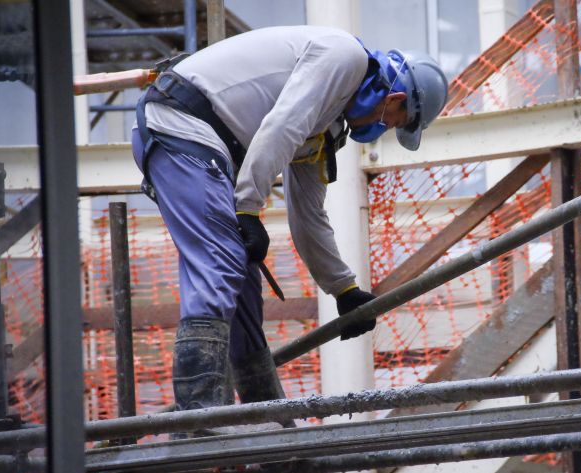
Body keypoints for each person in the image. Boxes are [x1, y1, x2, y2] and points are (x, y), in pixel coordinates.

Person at [131, 25, 448, 419]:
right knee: (221, 262)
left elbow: (309, 213)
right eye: (396, 121)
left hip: (203, 142)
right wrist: (247, 206)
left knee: (243, 282)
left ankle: (266, 417)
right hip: (181, 126)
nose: (386, 129)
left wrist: (343, 289)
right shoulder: (343, 57)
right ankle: (199, 418)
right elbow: (282, 124)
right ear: (396, 98)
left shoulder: (329, 123)